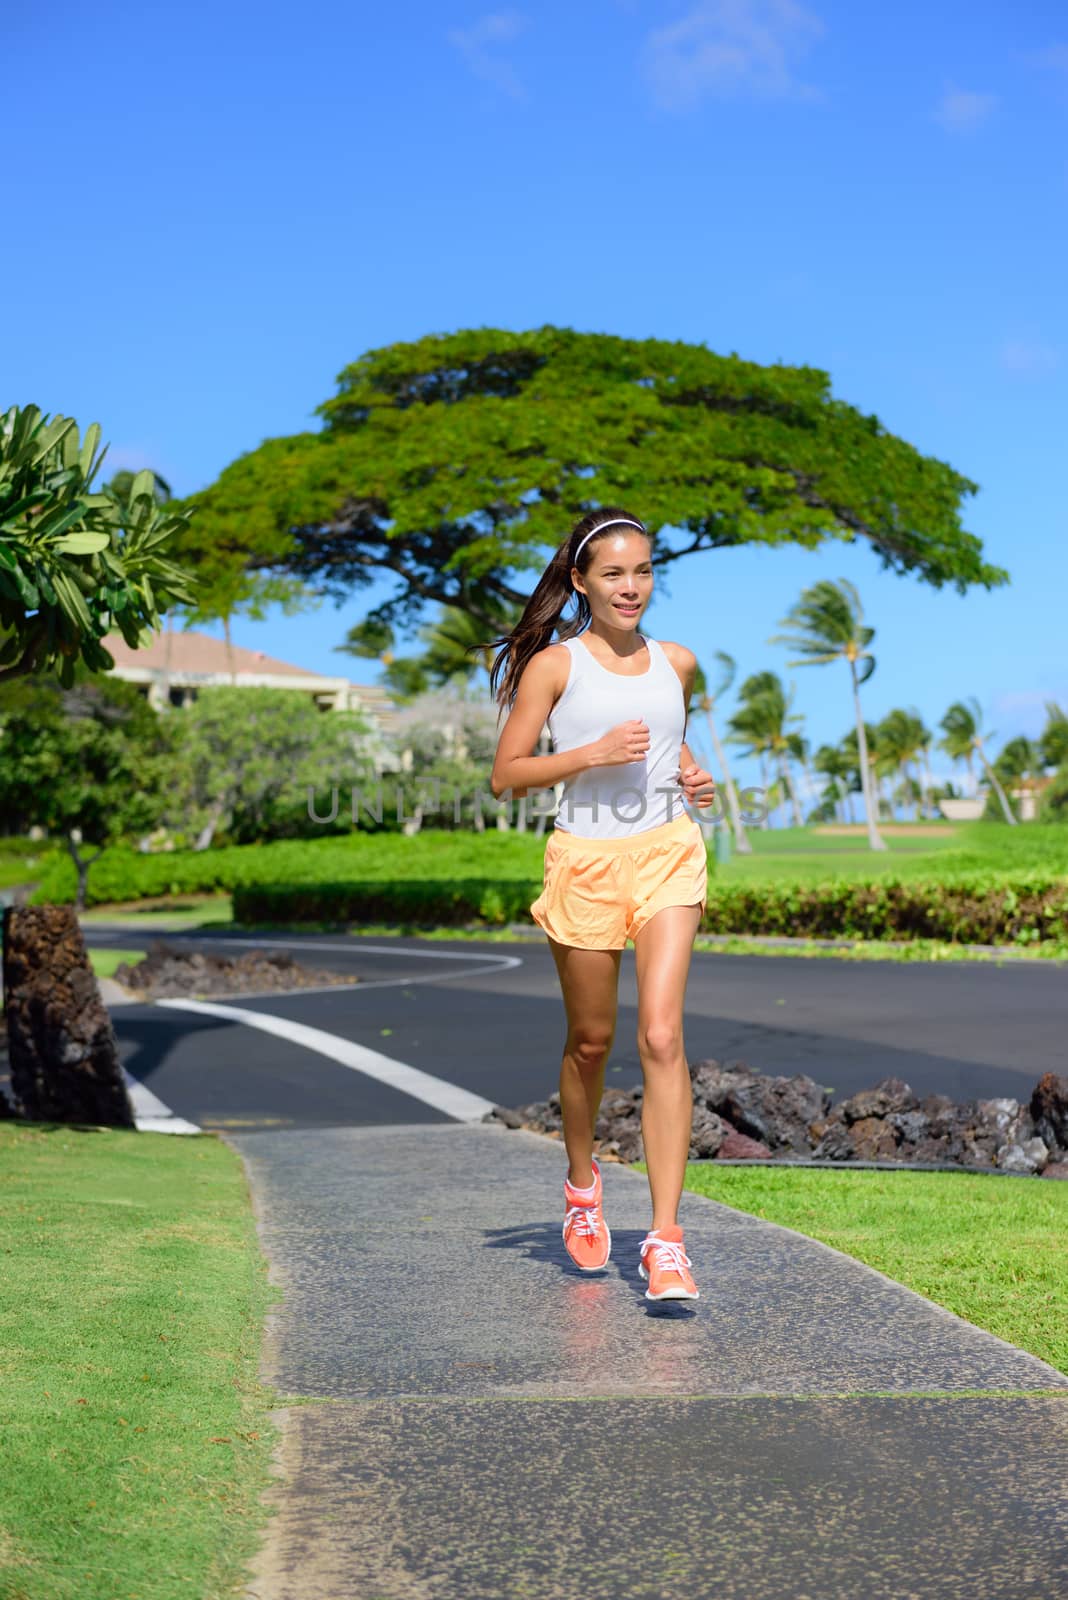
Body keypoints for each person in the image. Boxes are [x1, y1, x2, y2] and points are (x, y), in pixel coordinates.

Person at [489, 508, 717, 1303]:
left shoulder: (677, 661)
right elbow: (506, 773)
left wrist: (689, 776)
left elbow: (666, 737)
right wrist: (587, 756)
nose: (632, 587)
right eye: (615, 574)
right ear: (581, 581)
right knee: (592, 1041)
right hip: (584, 862)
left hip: (667, 852)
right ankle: (582, 1188)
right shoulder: (555, 666)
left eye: (645, 571)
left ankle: (665, 1240)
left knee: (661, 1034)